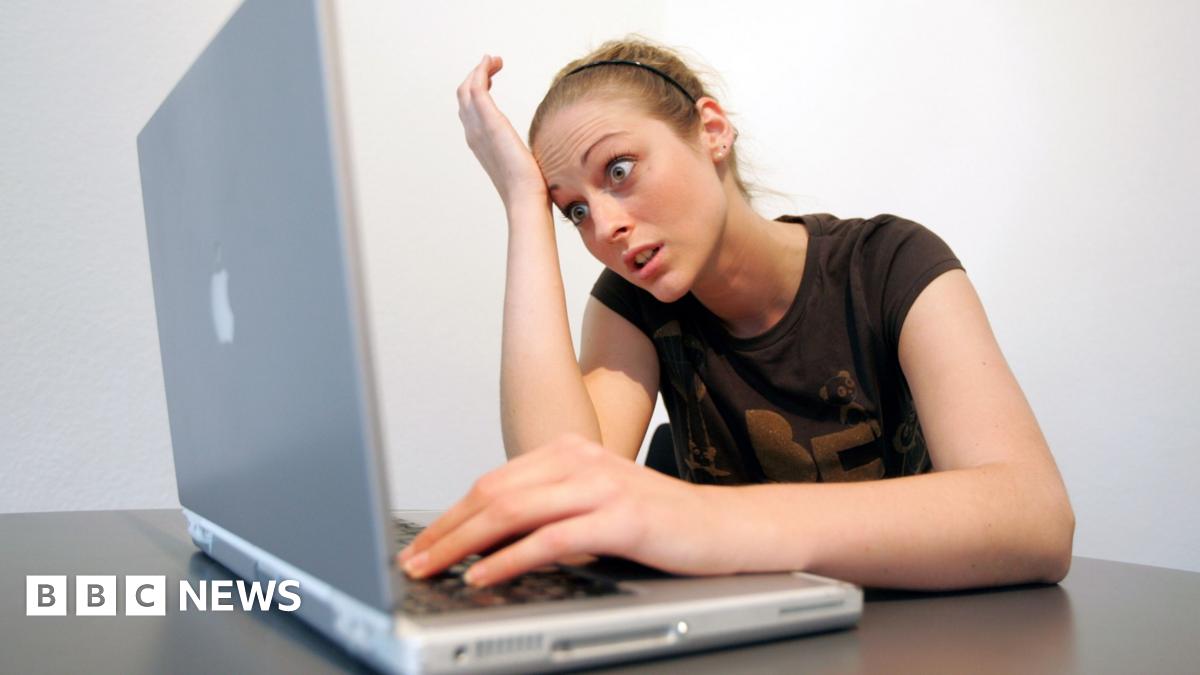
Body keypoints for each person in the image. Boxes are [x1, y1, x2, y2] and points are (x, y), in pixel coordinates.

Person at [398, 39, 1075, 590]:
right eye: (573, 209)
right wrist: (523, 204)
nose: (603, 225)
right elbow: (558, 484)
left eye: (620, 169)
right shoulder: (633, 304)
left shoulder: (890, 265)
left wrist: (702, 517)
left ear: (712, 131)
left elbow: (1036, 518)